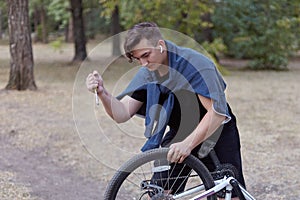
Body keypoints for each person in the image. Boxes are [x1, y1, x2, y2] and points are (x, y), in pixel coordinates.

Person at [86, 22, 245, 199]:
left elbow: (217, 113)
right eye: (138, 59)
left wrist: (188, 144)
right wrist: (102, 92)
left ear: (160, 45)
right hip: (180, 133)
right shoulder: (148, 72)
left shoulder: (197, 64)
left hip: (216, 132)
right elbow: (121, 113)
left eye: (146, 55)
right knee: (159, 194)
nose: (143, 63)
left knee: (228, 194)